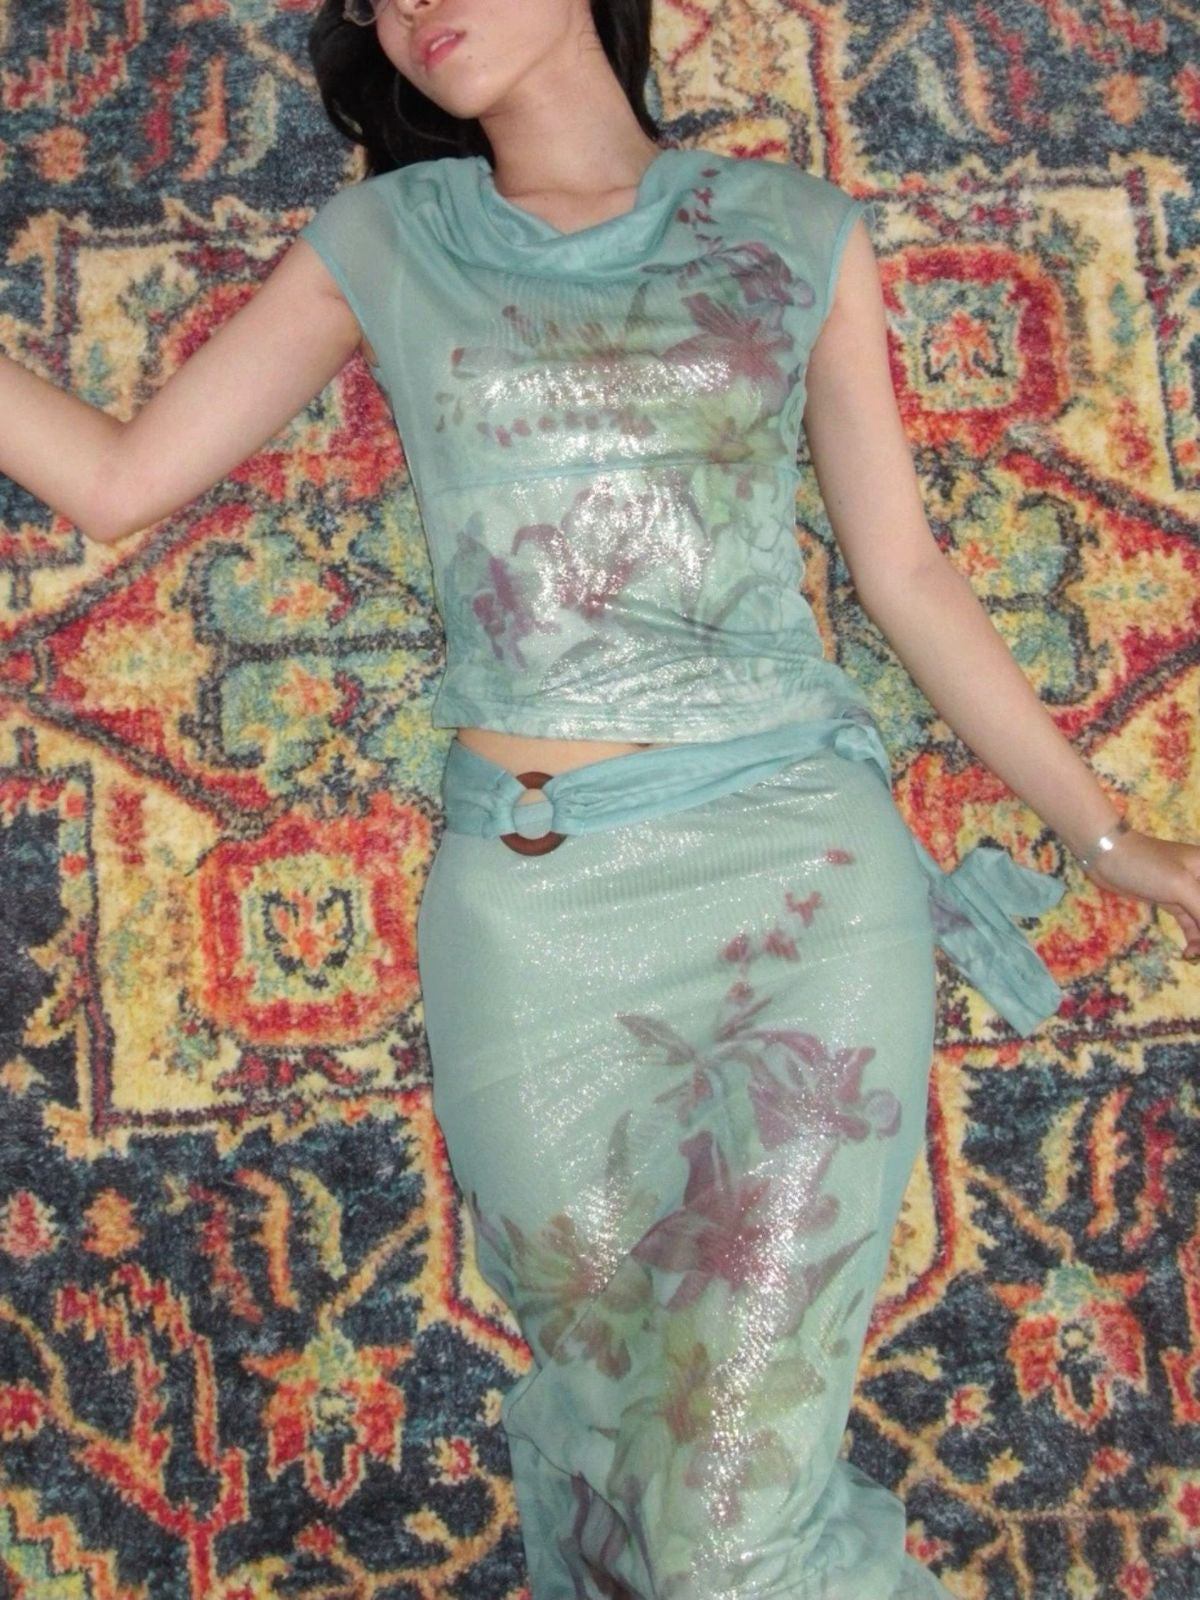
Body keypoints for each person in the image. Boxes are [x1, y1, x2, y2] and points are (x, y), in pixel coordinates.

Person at [2, 0, 1197, 1594]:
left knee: (722, 1524)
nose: (415, 9)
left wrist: (1102, 835)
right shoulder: (389, 238)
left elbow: (904, 572)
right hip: (528, 921)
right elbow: (115, 481)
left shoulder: (795, 227)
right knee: (632, 1460)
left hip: (793, 886)